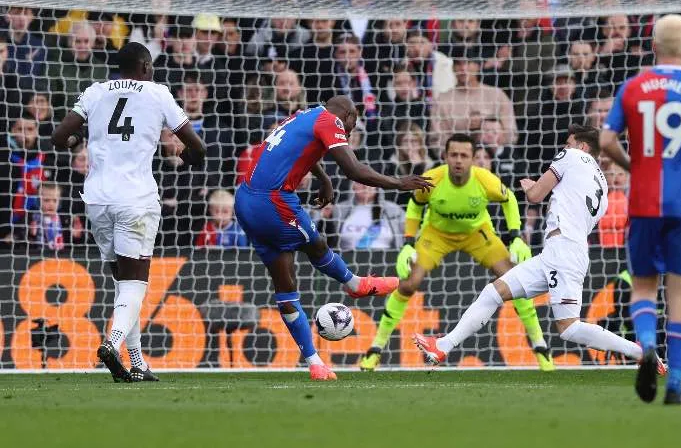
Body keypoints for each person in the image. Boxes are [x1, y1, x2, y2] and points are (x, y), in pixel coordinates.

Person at [414, 126, 666, 373]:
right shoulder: (603, 186)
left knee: (569, 328)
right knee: (494, 291)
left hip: (563, 251)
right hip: (560, 251)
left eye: (567, 143)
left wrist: (529, 187)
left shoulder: (571, 156)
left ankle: (641, 352)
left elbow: (535, 196)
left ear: (582, 146)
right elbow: (570, 207)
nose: (563, 148)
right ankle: (443, 346)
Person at [235, 96, 431, 381]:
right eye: (354, 122)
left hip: (245, 200)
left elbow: (300, 149)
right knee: (315, 245)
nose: (351, 130)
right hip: (273, 200)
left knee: (286, 288)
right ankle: (355, 284)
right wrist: (399, 183)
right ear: (349, 115)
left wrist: (324, 179)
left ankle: (315, 363)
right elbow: (353, 170)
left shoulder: (307, 115)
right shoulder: (331, 121)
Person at [51, 42, 207, 383]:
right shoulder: (157, 93)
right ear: (146, 67)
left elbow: (59, 135)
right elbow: (198, 146)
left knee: (123, 284)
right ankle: (112, 342)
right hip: (135, 198)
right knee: (135, 283)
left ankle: (137, 362)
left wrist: (79, 142)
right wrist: (186, 160)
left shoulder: (95, 91)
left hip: (97, 198)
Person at [599, 14, 681, 405]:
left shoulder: (633, 87)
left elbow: (605, 139)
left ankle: (645, 346)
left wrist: (632, 166)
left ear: (652, 46)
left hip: (642, 201)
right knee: (680, 295)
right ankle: (675, 383)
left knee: (642, 286)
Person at [359, 133, 553, 372]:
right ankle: (375, 349)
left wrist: (515, 237)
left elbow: (509, 199)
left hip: (477, 234)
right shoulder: (432, 179)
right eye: (454, 155)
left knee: (514, 281)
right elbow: (415, 205)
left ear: (473, 159)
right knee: (409, 283)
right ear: (445, 157)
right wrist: (408, 243)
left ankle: (540, 346)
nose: (458, 160)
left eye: (464, 155)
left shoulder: (485, 180)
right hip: (436, 235)